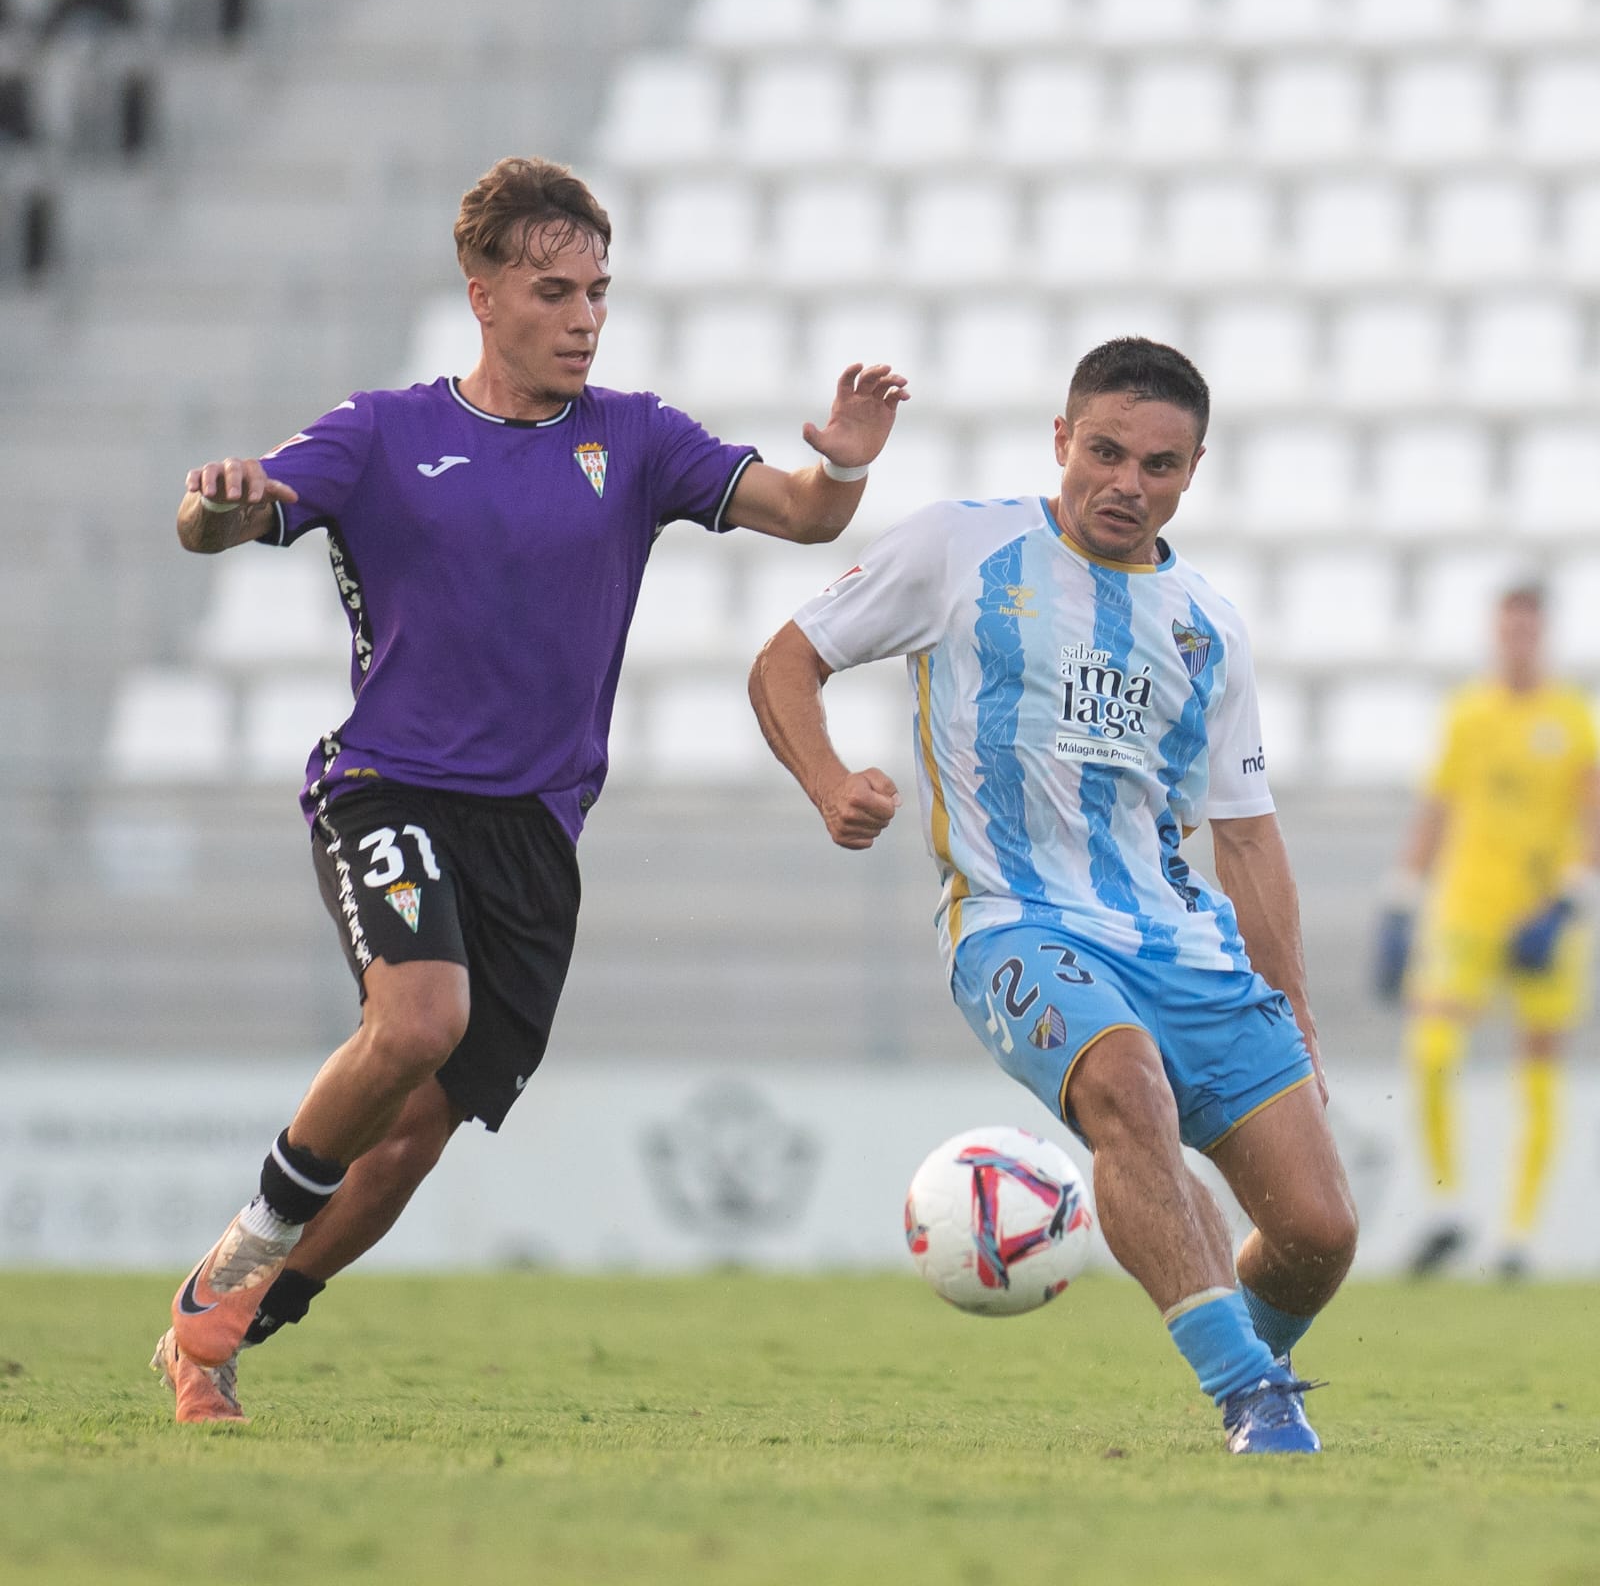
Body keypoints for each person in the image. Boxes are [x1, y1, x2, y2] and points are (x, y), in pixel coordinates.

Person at [151, 154, 910, 1423]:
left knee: (413, 1134)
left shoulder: (637, 436)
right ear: (484, 294)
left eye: (600, 291)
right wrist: (217, 501)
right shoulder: (382, 432)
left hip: (535, 832)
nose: (584, 317)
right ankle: (225, 1273)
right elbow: (218, 522)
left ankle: (226, 1324)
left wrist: (839, 467)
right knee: (416, 1021)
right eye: (555, 290)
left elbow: (800, 515)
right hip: (388, 786)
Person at [748, 338, 1358, 1455]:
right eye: (1107, 451)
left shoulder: (1207, 623)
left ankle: (1231, 1351)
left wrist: (1298, 1010)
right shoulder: (959, 547)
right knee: (1125, 1088)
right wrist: (829, 780)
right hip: (1013, 923)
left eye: (1161, 465)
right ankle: (1250, 1401)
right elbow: (785, 660)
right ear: (1061, 441)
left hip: (1178, 940)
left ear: (1194, 468)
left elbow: (1248, 837)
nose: (1129, 482)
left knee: (1319, 1229)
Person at [1376, 583, 1599, 1278]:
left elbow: (1591, 819)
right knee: (1434, 1050)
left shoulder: (1573, 718)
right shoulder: (1468, 714)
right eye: (1509, 629)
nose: (1518, 640)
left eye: (1529, 629)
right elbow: (1436, 809)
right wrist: (1402, 899)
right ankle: (1448, 1208)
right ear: (1496, 632)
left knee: (1537, 1065)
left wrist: (1569, 904)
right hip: (1466, 908)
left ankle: (1518, 1236)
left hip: (1541, 914)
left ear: (1544, 634)